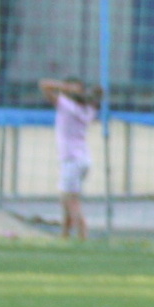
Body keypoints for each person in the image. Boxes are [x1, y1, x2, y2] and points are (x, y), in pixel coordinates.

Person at [44, 78, 97, 239]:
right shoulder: (89, 109)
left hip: (71, 159)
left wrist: (64, 87)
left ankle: (83, 234)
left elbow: (44, 85)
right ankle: (65, 235)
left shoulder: (66, 106)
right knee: (67, 199)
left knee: (71, 201)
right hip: (83, 158)